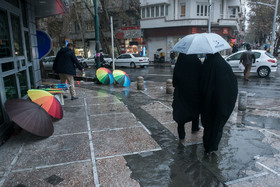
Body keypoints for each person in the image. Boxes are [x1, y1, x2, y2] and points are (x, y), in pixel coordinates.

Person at [200, 52, 238, 154]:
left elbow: (203, 84)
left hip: (209, 102)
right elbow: (233, 85)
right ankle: (212, 147)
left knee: (209, 125)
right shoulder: (224, 65)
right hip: (223, 102)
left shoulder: (208, 65)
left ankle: (208, 146)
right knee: (217, 126)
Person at [172, 53, 202, 140]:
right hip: (194, 92)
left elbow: (174, 81)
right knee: (195, 110)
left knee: (181, 114)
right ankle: (195, 127)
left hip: (181, 93)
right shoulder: (197, 62)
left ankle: (182, 135)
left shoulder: (180, 63)